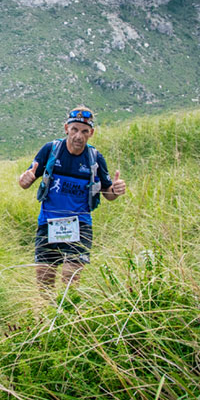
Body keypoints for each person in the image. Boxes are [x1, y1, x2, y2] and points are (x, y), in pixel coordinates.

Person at [18, 106, 126, 290]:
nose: (79, 136)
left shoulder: (95, 158)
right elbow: (26, 180)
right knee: (44, 281)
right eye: (74, 130)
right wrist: (24, 179)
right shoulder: (51, 150)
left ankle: (69, 312)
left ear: (91, 133)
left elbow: (108, 194)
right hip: (49, 222)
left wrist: (115, 190)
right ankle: (48, 316)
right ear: (66, 128)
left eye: (84, 131)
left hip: (80, 224)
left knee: (70, 277)